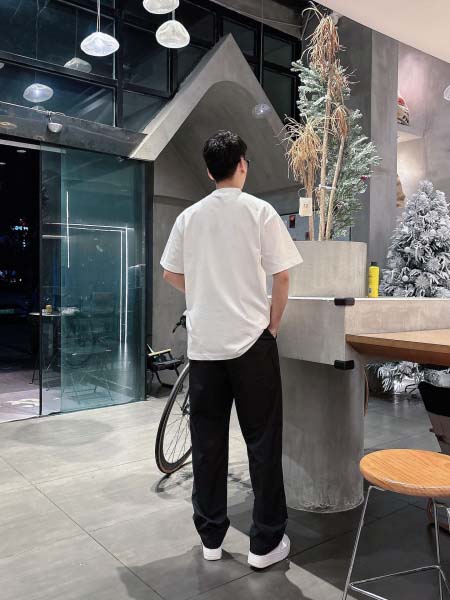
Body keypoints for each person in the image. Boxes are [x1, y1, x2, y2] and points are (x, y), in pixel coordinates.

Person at [161, 130, 302, 569]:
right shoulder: (259, 211)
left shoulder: (189, 217)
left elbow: (170, 274)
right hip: (252, 344)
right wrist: (272, 324)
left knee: (207, 443)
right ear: (242, 164)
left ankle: (211, 538)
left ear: (208, 171)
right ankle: (265, 544)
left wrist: (205, 291)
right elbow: (282, 275)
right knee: (263, 442)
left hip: (205, 348)